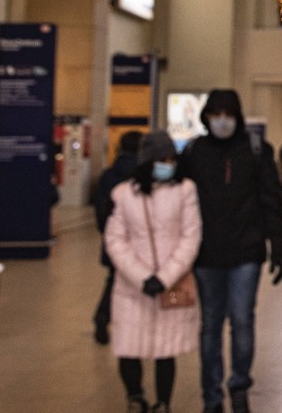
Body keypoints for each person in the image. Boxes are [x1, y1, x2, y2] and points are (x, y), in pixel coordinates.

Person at [180, 89, 282, 413]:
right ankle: (211, 396)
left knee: (242, 319)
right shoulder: (194, 152)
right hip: (206, 255)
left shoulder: (256, 151)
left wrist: (279, 243)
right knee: (211, 323)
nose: (222, 121)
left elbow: (271, 200)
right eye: (216, 114)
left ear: (238, 117)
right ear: (207, 117)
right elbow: (180, 203)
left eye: (228, 114)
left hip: (246, 252)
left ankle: (239, 384)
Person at [104, 131, 202, 413]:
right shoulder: (124, 194)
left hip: (171, 282)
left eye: (171, 158)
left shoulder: (185, 190)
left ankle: (163, 404)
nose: (167, 164)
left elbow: (190, 237)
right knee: (129, 345)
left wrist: (165, 277)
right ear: (148, 161)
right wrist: (141, 276)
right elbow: (115, 239)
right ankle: (135, 397)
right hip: (131, 286)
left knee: (165, 349)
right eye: (161, 159)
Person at [93, 130, 143, 345]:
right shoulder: (143, 174)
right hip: (141, 240)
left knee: (115, 280)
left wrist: (108, 234)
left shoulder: (108, 175)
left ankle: (103, 316)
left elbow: (100, 211)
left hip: (116, 241)